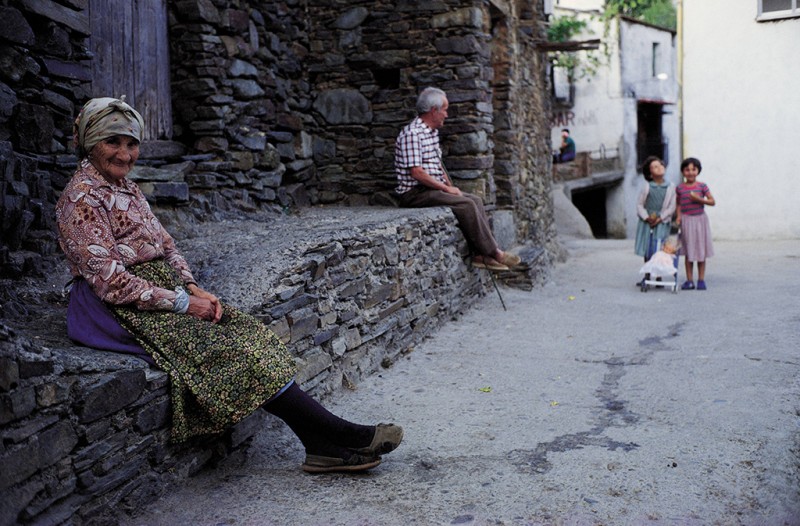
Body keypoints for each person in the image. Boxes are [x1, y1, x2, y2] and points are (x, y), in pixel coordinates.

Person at [56, 97, 402, 474]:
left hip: (164, 290)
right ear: (91, 143)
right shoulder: (80, 198)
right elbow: (111, 282)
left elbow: (166, 245)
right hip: (117, 307)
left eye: (132, 143)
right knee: (222, 350)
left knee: (248, 334)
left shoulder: (127, 188)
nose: (125, 155)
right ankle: (339, 434)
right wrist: (184, 304)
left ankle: (319, 445)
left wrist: (191, 286)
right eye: (113, 143)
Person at [394, 87, 520, 272]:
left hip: (430, 190)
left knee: (474, 200)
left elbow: (437, 165)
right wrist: (446, 190)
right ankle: (495, 253)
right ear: (433, 110)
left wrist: (449, 184)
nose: (446, 114)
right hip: (414, 193)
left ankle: (480, 255)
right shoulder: (412, 134)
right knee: (466, 205)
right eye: (444, 109)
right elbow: (417, 173)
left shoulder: (430, 133)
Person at [675, 157, 715, 290]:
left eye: (693, 169)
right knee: (688, 251)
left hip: (700, 220)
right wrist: (678, 217)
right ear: (683, 172)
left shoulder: (702, 186)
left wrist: (698, 199)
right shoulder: (680, 188)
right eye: (687, 170)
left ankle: (701, 280)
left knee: (701, 251)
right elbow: (678, 204)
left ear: (698, 171)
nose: (690, 172)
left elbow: (712, 201)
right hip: (687, 221)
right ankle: (689, 280)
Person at [634, 156, 676, 280]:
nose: (659, 168)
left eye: (660, 165)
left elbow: (671, 206)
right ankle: (647, 274)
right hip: (648, 222)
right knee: (648, 247)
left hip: (662, 222)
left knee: (660, 248)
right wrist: (647, 217)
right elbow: (640, 204)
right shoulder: (647, 186)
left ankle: (658, 275)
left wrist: (660, 218)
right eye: (655, 167)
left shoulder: (670, 187)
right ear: (650, 173)